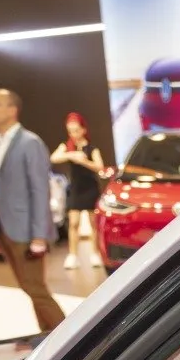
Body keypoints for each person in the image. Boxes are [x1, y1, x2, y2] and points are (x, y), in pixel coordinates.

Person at [0, 89, 64, 332]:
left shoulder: (30, 142)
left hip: (27, 229)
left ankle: (71, 337)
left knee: (35, 288)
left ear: (12, 109)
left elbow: (40, 190)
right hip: (2, 227)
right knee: (29, 288)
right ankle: (47, 336)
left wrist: (40, 235)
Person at [50, 111, 104, 269]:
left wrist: (84, 161)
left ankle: (95, 253)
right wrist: (71, 155)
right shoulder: (67, 146)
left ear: (83, 130)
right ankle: (73, 255)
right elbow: (54, 158)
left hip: (90, 188)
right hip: (75, 189)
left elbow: (99, 167)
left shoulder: (92, 148)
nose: (73, 134)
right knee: (74, 222)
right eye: (70, 131)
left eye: (76, 130)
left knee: (93, 223)